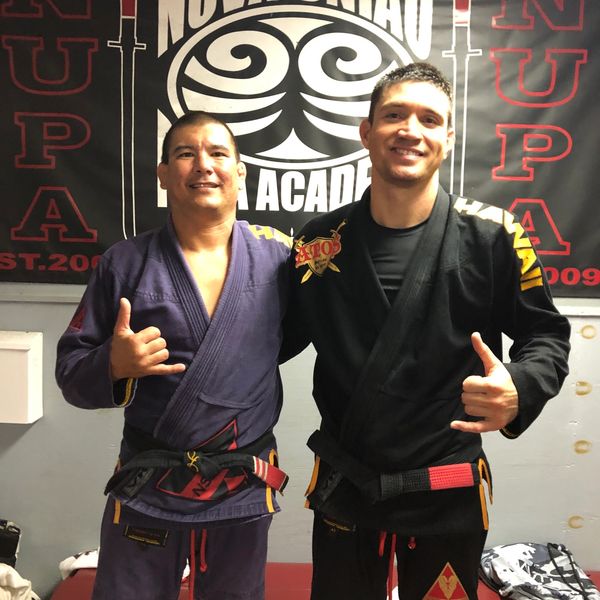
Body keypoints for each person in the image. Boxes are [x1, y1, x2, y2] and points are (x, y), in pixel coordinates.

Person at [281, 62, 571, 600]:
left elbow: (547, 335)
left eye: (429, 119)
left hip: (446, 485)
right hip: (349, 483)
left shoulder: (494, 236)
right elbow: (270, 338)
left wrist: (519, 387)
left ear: (448, 138)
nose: (410, 130)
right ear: (367, 132)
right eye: (394, 115)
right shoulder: (318, 242)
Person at [55, 111, 291, 600]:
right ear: (163, 174)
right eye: (185, 153)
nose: (203, 164)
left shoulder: (280, 259)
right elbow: (71, 373)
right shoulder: (124, 263)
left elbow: (312, 334)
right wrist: (114, 365)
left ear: (240, 171)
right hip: (149, 481)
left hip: (240, 485)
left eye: (218, 153)